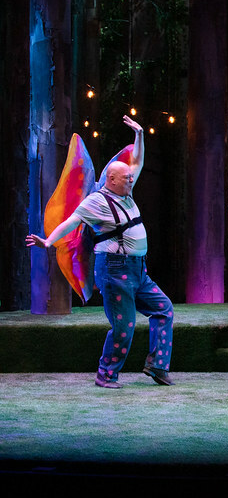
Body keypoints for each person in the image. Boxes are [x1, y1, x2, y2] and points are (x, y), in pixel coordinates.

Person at [26, 116, 175, 389]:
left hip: (138, 270)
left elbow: (138, 162)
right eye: (127, 177)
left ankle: (157, 366)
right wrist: (49, 242)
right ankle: (106, 374)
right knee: (123, 327)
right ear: (112, 179)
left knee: (164, 309)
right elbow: (71, 221)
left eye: (131, 177)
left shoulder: (126, 194)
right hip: (115, 271)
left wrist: (140, 135)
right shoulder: (97, 201)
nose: (132, 179)